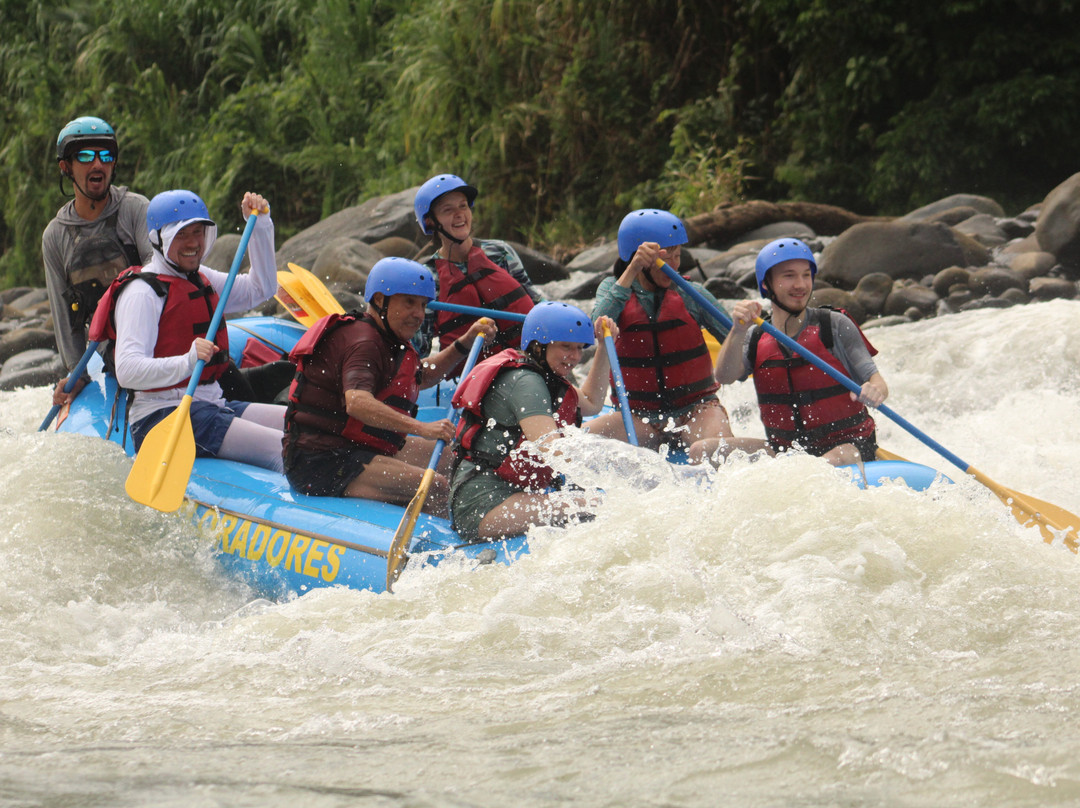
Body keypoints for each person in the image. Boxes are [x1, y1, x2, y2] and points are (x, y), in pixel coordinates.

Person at [283, 257, 495, 514]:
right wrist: (422, 428)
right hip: (322, 460)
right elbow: (357, 402)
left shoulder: (387, 339)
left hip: (359, 448)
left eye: (422, 305)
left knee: (454, 460)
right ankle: (440, 547)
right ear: (381, 300)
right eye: (409, 302)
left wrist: (465, 341)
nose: (418, 314)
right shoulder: (364, 343)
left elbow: (423, 376)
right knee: (434, 485)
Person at [107, 189, 287, 472]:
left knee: (302, 422)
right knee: (288, 448)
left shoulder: (202, 278)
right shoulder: (142, 293)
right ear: (158, 239)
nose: (193, 243)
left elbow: (260, 289)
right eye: (182, 234)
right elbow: (127, 371)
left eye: (198, 232)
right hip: (162, 418)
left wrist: (261, 226)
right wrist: (187, 362)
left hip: (209, 405)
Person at [689, 237, 888, 467]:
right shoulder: (755, 336)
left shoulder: (833, 325)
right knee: (701, 451)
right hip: (786, 451)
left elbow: (876, 381)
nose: (801, 285)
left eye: (806, 275)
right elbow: (724, 376)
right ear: (767, 285)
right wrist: (737, 330)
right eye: (789, 275)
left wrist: (874, 391)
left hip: (847, 446)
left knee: (824, 463)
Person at [587, 208, 758, 454]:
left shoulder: (691, 294)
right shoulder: (613, 289)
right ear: (638, 259)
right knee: (582, 443)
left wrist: (744, 328)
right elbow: (598, 326)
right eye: (667, 258)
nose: (675, 265)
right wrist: (632, 270)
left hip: (697, 410)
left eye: (678, 256)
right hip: (639, 417)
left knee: (716, 451)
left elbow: (740, 345)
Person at [449, 302, 618, 542]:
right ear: (539, 345)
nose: (576, 357)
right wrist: (615, 469)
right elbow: (553, 450)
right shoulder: (526, 382)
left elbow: (591, 402)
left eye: (580, 348)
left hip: (511, 492)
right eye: (566, 346)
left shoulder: (545, 376)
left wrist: (603, 347)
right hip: (482, 504)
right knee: (595, 504)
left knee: (592, 502)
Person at [43, 115, 153, 408]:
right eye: (85, 156)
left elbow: (161, 275)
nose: (97, 164)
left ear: (113, 164)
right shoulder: (56, 236)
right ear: (65, 166)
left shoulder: (136, 209)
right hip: (115, 345)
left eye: (105, 156)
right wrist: (76, 372)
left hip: (157, 327)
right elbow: (65, 315)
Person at [413, 173, 543, 363]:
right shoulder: (429, 277)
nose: (459, 214)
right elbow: (420, 347)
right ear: (431, 221)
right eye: (448, 209)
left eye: (463, 206)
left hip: (524, 360)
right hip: (472, 375)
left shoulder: (500, 252)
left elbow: (536, 304)